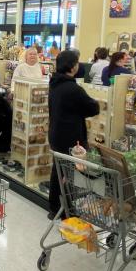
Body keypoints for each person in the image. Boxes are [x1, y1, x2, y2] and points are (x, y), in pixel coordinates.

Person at [47, 50, 100, 218]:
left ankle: (54, 207)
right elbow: (93, 108)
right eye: (77, 62)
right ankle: (66, 210)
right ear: (72, 66)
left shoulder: (54, 83)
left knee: (58, 171)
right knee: (70, 174)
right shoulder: (73, 88)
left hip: (56, 133)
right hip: (70, 137)